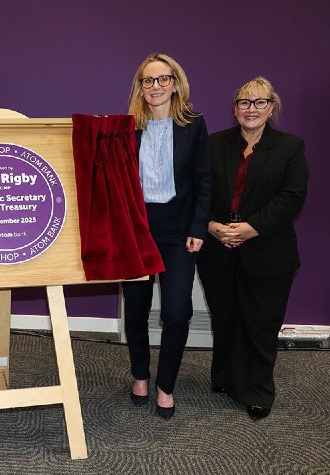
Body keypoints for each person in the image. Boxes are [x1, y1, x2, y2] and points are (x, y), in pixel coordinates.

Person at [197, 77, 309, 420]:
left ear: (271, 108)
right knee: (226, 319)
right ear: (235, 108)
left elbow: (292, 197)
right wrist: (212, 225)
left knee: (260, 324)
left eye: (259, 102)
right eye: (244, 102)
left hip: (268, 251)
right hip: (218, 249)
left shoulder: (290, 147)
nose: (251, 109)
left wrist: (250, 228)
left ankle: (259, 390)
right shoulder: (214, 144)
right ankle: (226, 378)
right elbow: (197, 189)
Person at [121, 54, 211, 420]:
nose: (155, 86)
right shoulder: (128, 127)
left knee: (176, 312)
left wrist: (198, 228)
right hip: (138, 228)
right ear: (140, 88)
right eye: (148, 80)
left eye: (163, 79)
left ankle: (166, 385)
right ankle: (140, 375)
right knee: (137, 308)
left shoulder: (194, 125)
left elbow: (205, 180)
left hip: (178, 230)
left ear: (176, 82)